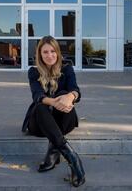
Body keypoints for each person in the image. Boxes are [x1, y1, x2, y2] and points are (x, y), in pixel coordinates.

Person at [21, 35, 85, 187]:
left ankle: (53, 150)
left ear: (58, 52)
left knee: (65, 94)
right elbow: (37, 95)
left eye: (52, 51)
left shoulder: (67, 68)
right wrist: (56, 102)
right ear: (40, 55)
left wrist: (70, 97)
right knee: (41, 105)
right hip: (39, 124)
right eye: (45, 52)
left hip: (64, 120)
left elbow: (75, 90)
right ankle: (73, 158)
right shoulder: (34, 72)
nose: (49, 56)